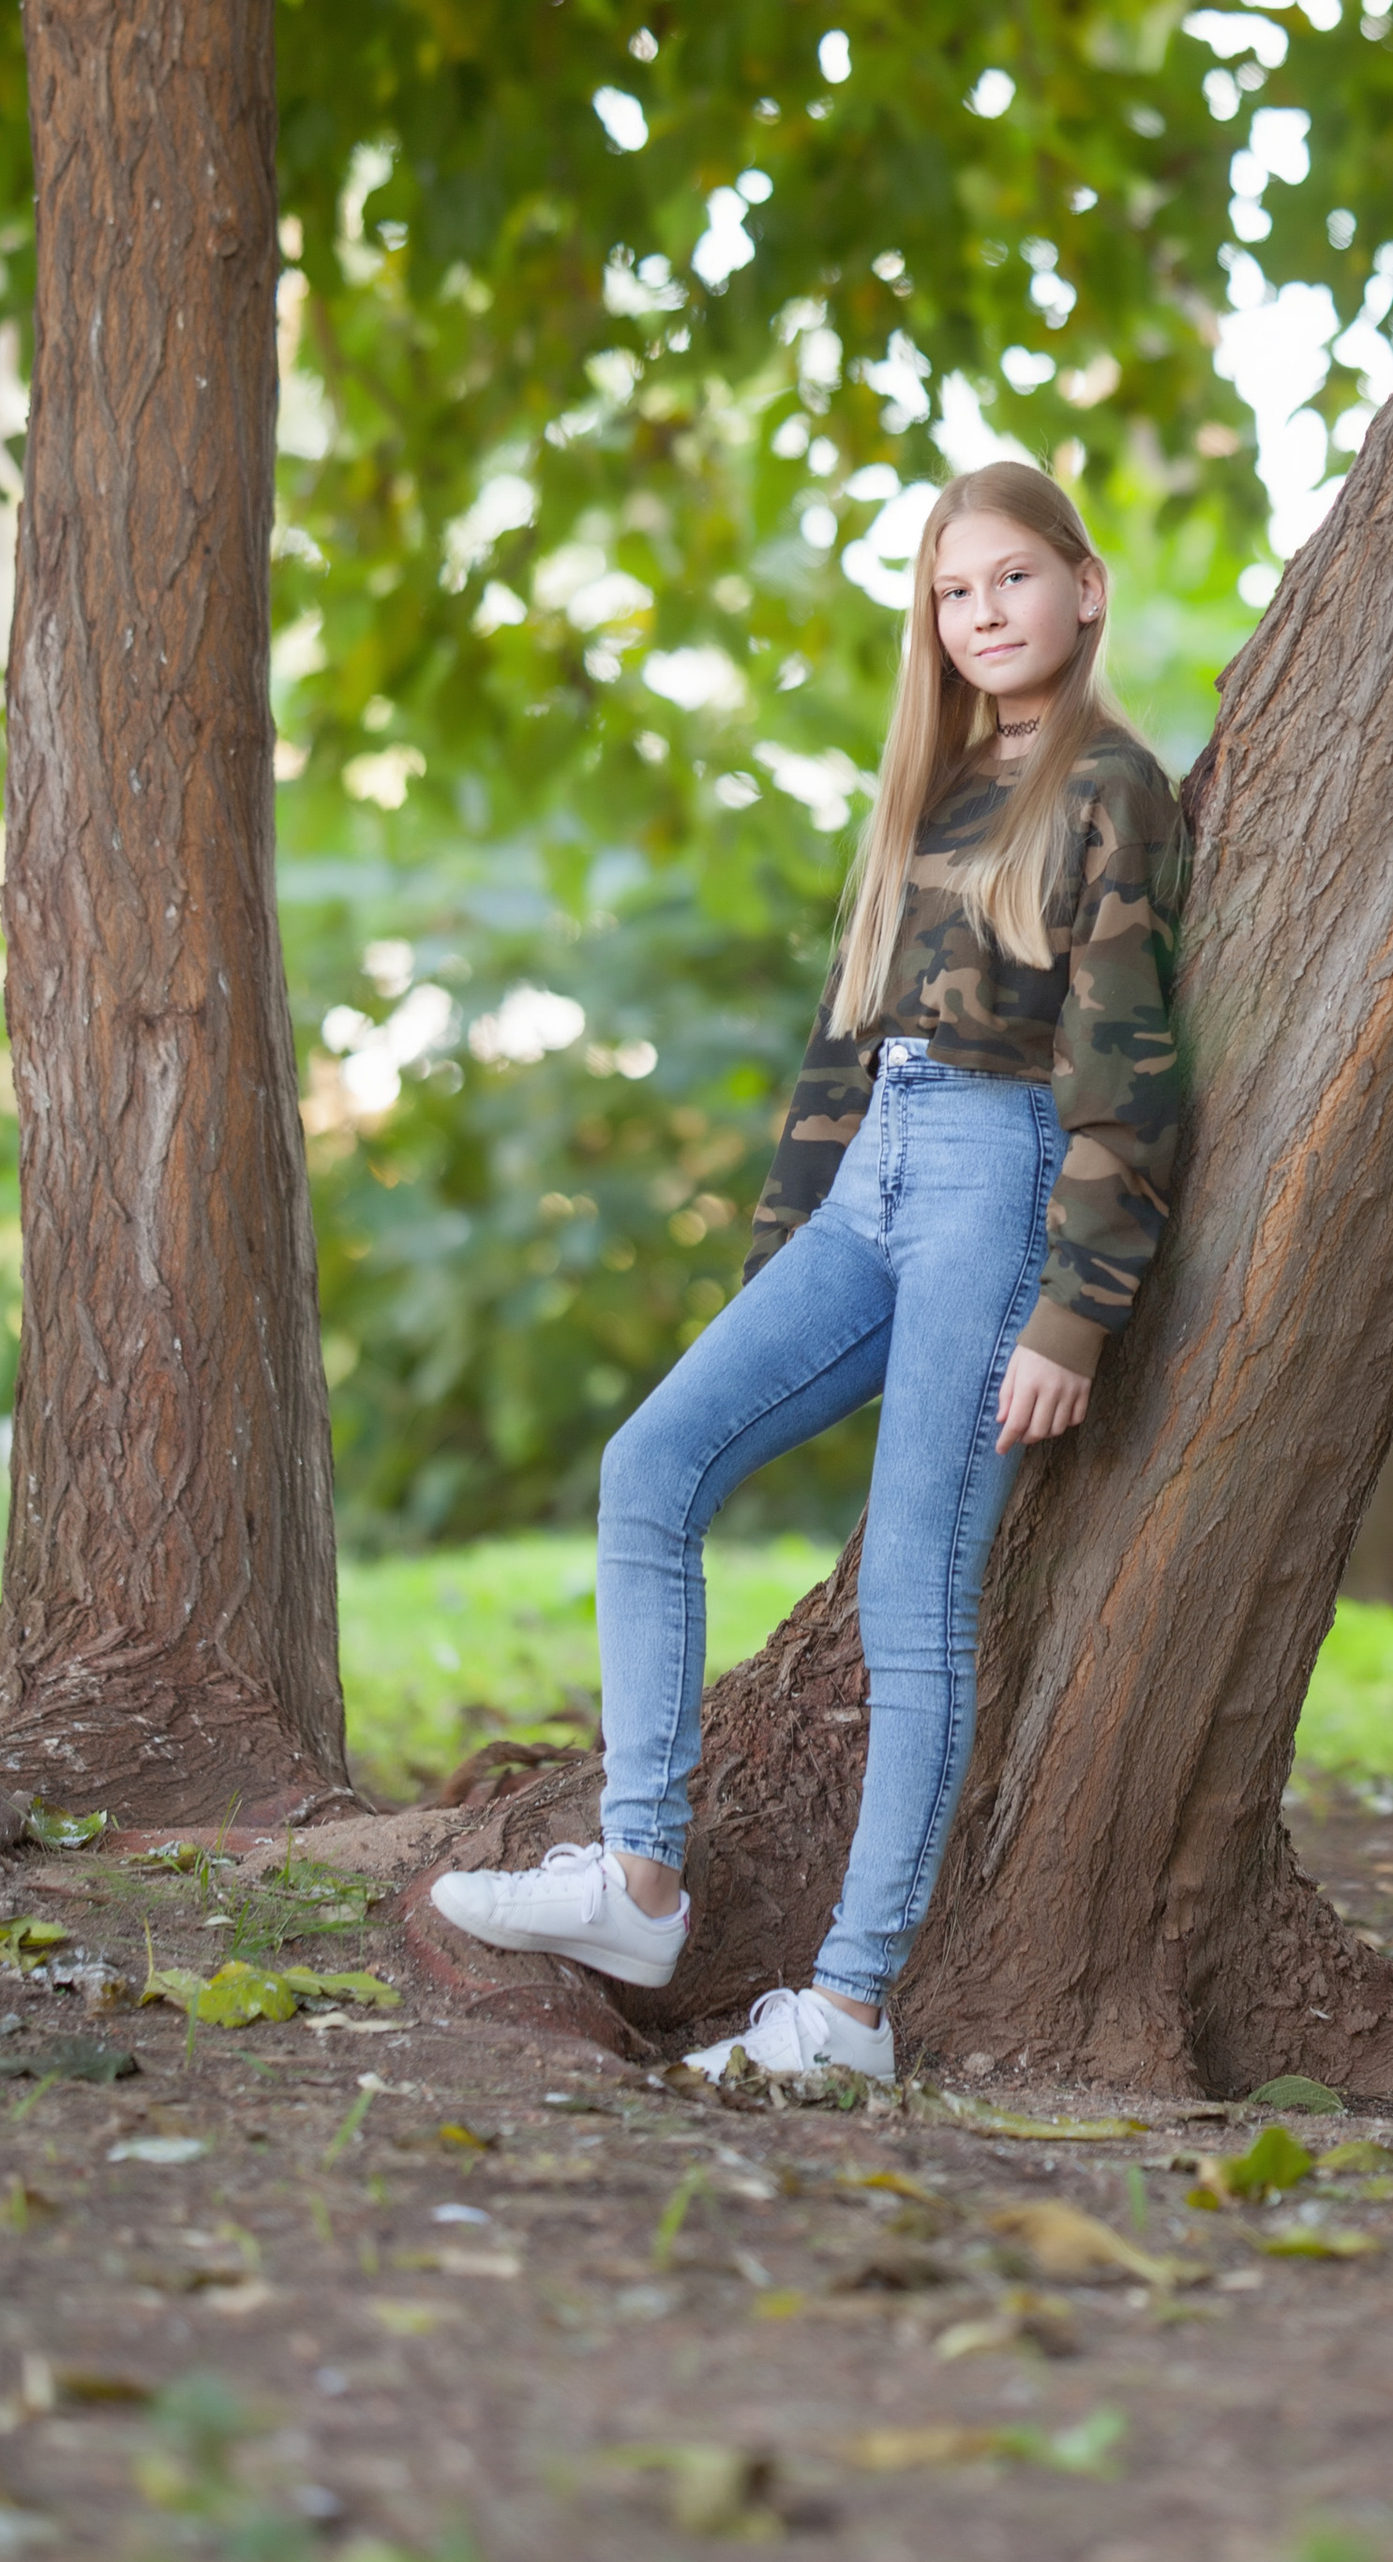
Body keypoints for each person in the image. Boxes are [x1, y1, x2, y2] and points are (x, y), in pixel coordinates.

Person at [430, 460, 1184, 2083]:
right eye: (952, 591)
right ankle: (638, 1880)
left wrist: (1077, 1311)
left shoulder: (1112, 789)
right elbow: (844, 1051)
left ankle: (846, 2011)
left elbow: (1129, 1070)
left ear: (1086, 587)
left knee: (916, 1589)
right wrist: (780, 1267)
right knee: (652, 1464)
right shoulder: (929, 783)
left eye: (1012, 579)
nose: (982, 615)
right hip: (873, 1178)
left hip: (999, 1178)